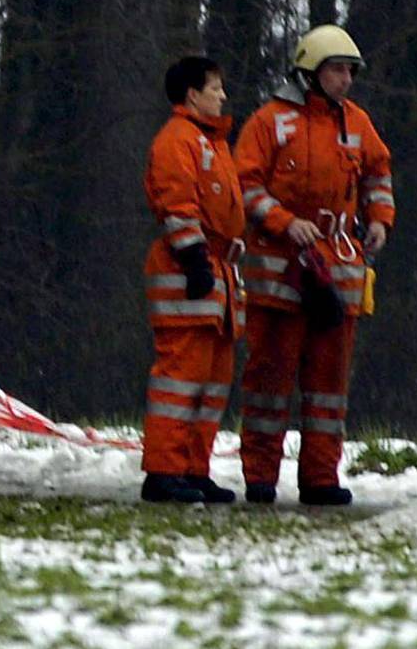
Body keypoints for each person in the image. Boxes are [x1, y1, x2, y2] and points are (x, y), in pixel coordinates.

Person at [233, 25, 395, 505]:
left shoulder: (357, 124)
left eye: (350, 71)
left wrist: (381, 219)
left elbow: (378, 173)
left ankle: (321, 478)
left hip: (338, 273)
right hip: (280, 275)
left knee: (328, 386)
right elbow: (246, 184)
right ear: (310, 71)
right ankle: (259, 476)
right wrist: (284, 222)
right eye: (338, 70)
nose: (346, 79)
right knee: (268, 379)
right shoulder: (269, 122)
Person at [140, 56, 246, 503]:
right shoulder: (177, 141)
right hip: (188, 274)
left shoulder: (211, 142)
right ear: (192, 94)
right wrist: (196, 258)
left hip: (216, 274)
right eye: (215, 87)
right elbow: (177, 203)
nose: (222, 95)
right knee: (180, 380)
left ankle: (193, 469)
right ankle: (164, 472)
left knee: (212, 381)